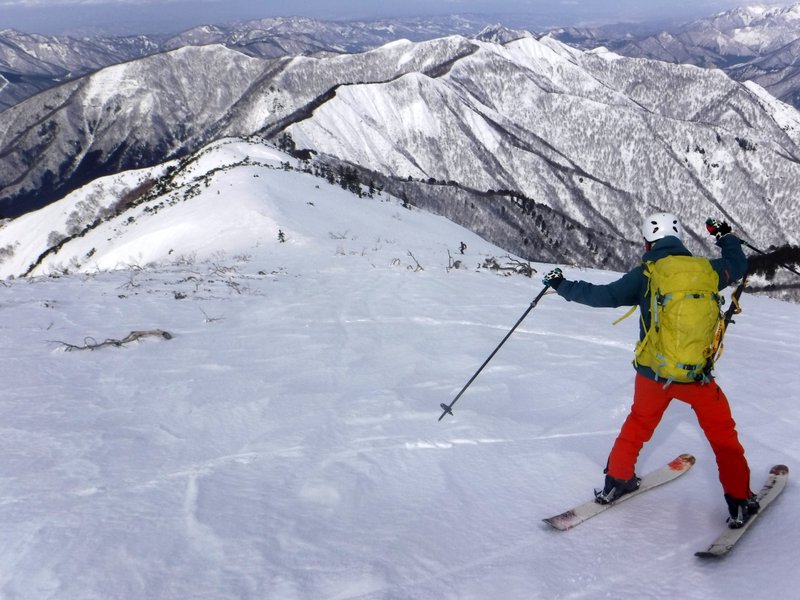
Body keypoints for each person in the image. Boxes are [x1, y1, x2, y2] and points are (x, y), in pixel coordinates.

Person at [541, 212, 758, 528]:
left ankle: (617, 481)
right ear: (679, 240)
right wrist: (724, 234)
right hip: (697, 376)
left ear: (648, 243)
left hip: (652, 375)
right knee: (723, 437)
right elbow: (738, 264)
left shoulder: (646, 273)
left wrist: (560, 284)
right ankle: (740, 501)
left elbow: (601, 296)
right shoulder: (709, 271)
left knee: (638, 424)